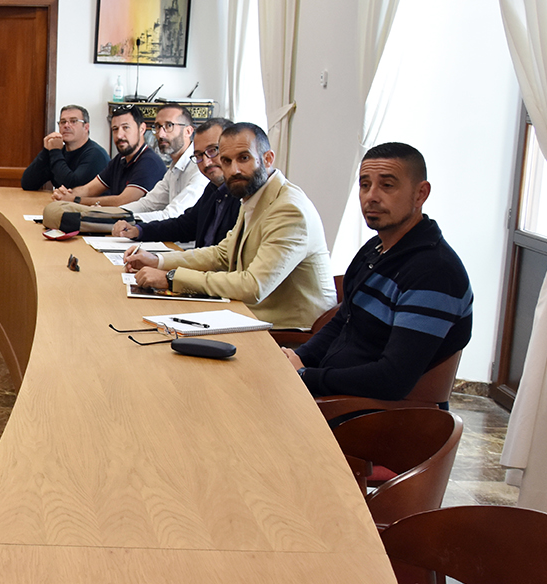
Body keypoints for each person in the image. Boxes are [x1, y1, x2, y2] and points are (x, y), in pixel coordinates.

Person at [286, 142, 472, 399]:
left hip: (369, 413)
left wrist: (305, 377)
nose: (371, 196)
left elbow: (392, 379)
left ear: (421, 194)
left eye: (387, 185)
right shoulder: (376, 248)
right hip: (331, 392)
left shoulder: (435, 272)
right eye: (365, 185)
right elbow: (343, 321)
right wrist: (296, 358)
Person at [123, 122, 335, 328]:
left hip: (291, 332)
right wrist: (158, 260)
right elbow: (222, 254)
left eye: (244, 158)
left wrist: (171, 278)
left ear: (268, 158)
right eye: (226, 161)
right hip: (250, 312)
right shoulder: (254, 193)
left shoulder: (288, 209)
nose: (234, 170)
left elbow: (253, 286)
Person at [44, 104, 206, 232]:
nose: (161, 134)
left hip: (181, 246)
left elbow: (172, 215)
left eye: (169, 126)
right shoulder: (171, 168)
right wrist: (112, 215)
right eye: (157, 127)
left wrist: (113, 217)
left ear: (188, 131)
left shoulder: (196, 168)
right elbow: (147, 204)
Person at [111, 118, 239, 248]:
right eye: (199, 156)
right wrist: (138, 230)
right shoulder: (212, 189)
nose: (206, 162)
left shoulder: (241, 196)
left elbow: (220, 255)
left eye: (213, 150)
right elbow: (184, 225)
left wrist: (162, 260)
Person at [48, 105, 165, 208]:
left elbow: (123, 202)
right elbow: (88, 189)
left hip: (138, 226)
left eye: (126, 127)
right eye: (115, 129)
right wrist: (65, 194)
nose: (119, 135)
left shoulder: (149, 162)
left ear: (142, 129)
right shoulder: (120, 160)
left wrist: (75, 200)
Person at [20, 104, 109, 191]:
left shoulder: (96, 154)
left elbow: (72, 188)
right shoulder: (59, 152)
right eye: (63, 122)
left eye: (73, 121)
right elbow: (28, 184)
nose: (66, 125)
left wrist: (55, 151)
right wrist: (46, 151)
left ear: (86, 127)